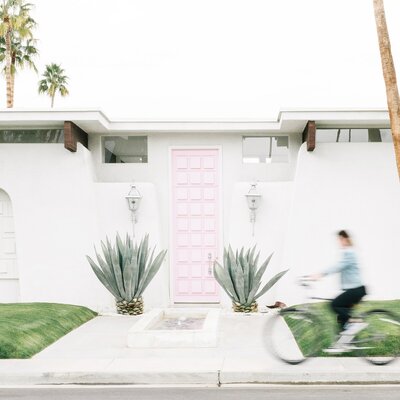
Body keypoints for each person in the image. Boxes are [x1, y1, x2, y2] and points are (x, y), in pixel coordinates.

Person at [311, 230, 367, 335]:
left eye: (340, 240)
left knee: (334, 304)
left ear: (345, 239)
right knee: (341, 318)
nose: (339, 242)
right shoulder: (349, 252)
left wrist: (321, 274)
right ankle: (346, 341)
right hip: (356, 290)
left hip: (356, 290)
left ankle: (355, 323)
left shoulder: (349, 252)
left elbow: (338, 266)